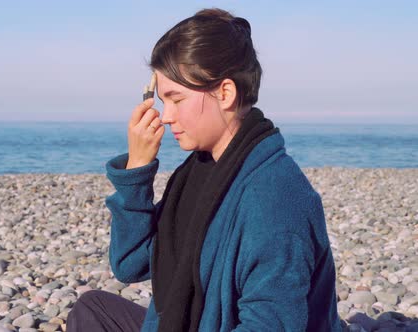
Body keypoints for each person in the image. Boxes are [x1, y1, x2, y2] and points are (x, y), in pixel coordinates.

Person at [66, 7, 342, 332]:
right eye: (162, 101)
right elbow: (130, 262)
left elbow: (270, 324)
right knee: (92, 309)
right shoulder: (199, 172)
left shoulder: (276, 198)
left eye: (176, 99)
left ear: (224, 93)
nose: (166, 116)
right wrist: (137, 170)